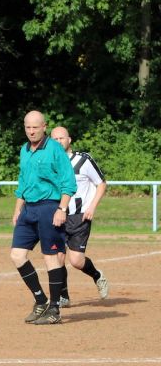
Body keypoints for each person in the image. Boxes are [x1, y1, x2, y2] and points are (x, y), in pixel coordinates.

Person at [9, 111, 77, 325]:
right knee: (17, 255)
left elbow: (68, 181)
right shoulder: (24, 150)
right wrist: (17, 209)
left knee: (51, 258)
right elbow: (22, 181)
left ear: (44, 127)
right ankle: (41, 300)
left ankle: (55, 309)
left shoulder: (55, 149)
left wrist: (62, 208)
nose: (31, 131)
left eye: (35, 127)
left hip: (50, 207)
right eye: (28, 127)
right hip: (28, 209)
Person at [49, 126, 109, 305]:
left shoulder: (83, 160)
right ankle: (63, 296)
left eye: (62, 138)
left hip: (79, 217)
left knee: (75, 260)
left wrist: (92, 207)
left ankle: (97, 275)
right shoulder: (50, 163)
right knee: (57, 257)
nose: (58, 142)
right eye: (55, 139)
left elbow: (101, 183)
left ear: (69, 140)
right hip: (57, 216)